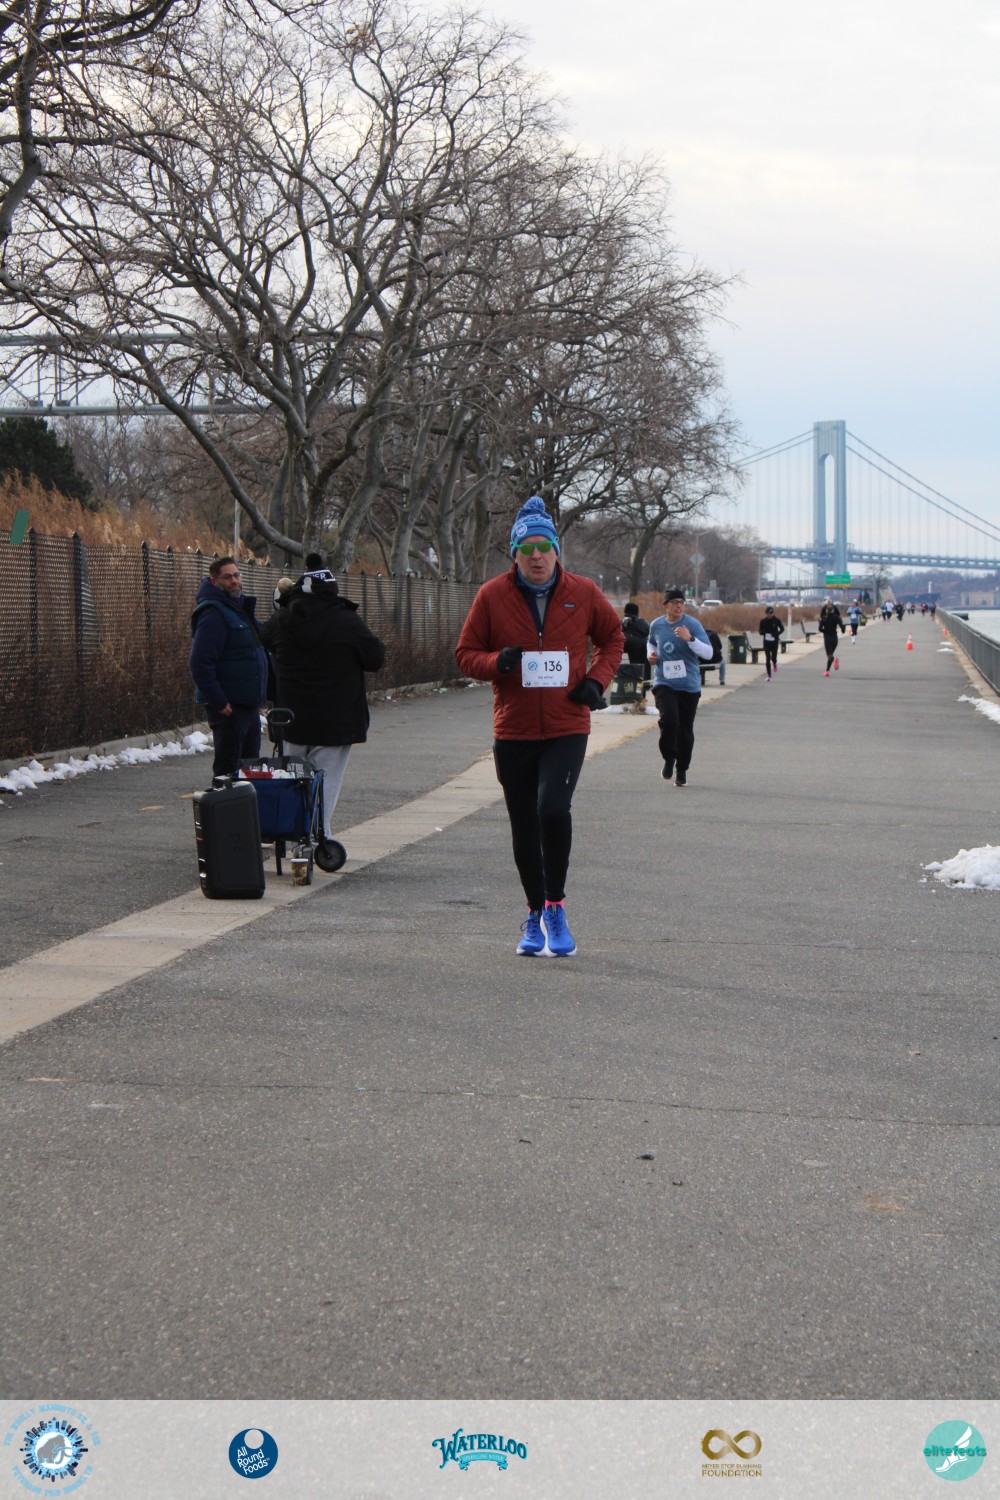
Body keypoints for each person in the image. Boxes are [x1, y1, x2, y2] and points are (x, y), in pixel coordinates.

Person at [455, 495, 622, 958]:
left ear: (556, 550)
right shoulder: (492, 595)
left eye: (544, 547)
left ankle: (555, 906)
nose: (536, 556)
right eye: (526, 548)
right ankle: (533, 913)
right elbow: (466, 654)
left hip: (568, 723)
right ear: (514, 554)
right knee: (524, 824)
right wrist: (498, 663)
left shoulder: (583, 591)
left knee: (552, 810)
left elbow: (613, 637)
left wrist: (596, 681)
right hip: (515, 729)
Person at [261, 554, 385, 840]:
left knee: (293, 778)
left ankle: (295, 835)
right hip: (336, 720)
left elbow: (263, 639)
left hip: (291, 717)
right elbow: (374, 658)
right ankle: (318, 837)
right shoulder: (347, 621)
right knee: (325, 780)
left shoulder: (282, 621)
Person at [190, 556, 270, 778]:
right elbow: (199, 662)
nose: (234, 581)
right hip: (230, 709)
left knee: (249, 771)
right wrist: (219, 701)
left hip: (249, 706)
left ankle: (245, 803)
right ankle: (224, 802)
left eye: (236, 575)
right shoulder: (213, 614)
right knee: (228, 773)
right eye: (227, 577)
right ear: (214, 581)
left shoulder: (238, 610)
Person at [647, 587, 713, 785]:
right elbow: (651, 643)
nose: (679, 606)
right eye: (674, 602)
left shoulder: (692, 625)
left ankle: (681, 769)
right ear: (666, 605)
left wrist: (690, 639)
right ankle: (669, 758)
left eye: (681, 602)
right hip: (664, 682)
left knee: (685, 729)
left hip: (688, 685)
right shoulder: (657, 625)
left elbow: (708, 653)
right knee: (669, 721)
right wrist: (650, 655)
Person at [621, 601, 651, 683]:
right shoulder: (644, 626)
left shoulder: (620, 627)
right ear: (637, 614)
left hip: (622, 672)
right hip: (642, 670)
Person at [818, 598, 845, 676]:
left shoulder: (824, 619)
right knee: (831, 654)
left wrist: (824, 631)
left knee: (829, 655)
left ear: (826, 611)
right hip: (835, 638)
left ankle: (834, 661)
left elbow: (820, 629)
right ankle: (827, 671)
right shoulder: (837, 618)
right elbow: (842, 628)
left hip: (827, 638)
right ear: (833, 610)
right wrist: (843, 629)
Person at [758, 604, 784, 680]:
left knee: (773, 657)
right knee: (767, 658)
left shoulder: (776, 620)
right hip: (766, 642)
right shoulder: (763, 621)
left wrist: (776, 634)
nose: (769, 615)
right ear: (766, 613)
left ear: (773, 613)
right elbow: (760, 631)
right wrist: (763, 632)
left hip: (774, 641)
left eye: (771, 613)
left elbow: (782, 629)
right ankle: (769, 675)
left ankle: (775, 663)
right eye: (768, 614)